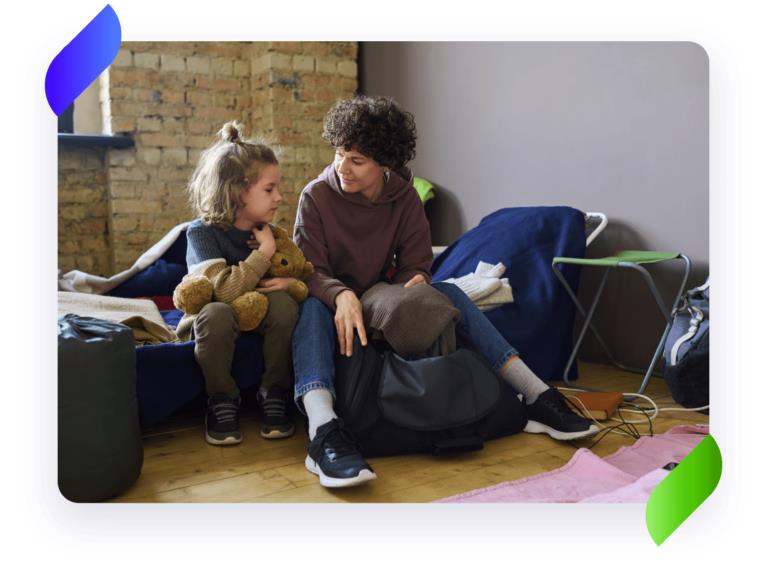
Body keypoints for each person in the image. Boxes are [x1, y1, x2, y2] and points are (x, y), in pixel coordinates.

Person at [292, 96, 598, 488]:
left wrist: (415, 280)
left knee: (450, 292)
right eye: (338, 154)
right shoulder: (316, 196)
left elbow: (417, 262)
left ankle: (538, 396)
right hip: (331, 295)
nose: (342, 167)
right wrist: (340, 295)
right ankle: (323, 432)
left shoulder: (403, 197)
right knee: (309, 310)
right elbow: (309, 268)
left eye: (356, 160)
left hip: (384, 294)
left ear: (384, 162)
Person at [176, 121, 298, 445]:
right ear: (236, 191)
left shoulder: (267, 231)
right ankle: (222, 399)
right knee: (217, 313)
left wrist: (288, 281)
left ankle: (275, 391)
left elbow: (299, 271)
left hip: (256, 311)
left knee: (285, 305)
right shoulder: (201, 233)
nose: (279, 198)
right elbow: (224, 292)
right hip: (214, 314)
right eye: (269, 189)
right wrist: (264, 254)